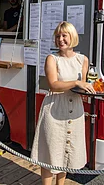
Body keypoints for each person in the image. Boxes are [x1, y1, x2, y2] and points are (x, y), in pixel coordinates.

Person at [31, 21, 95, 185]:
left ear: (72, 37)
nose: (60, 39)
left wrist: (92, 87)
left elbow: (83, 84)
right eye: (58, 36)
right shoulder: (52, 59)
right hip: (54, 109)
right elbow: (53, 84)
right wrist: (76, 83)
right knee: (50, 154)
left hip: (74, 109)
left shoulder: (83, 60)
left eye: (64, 35)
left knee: (66, 154)